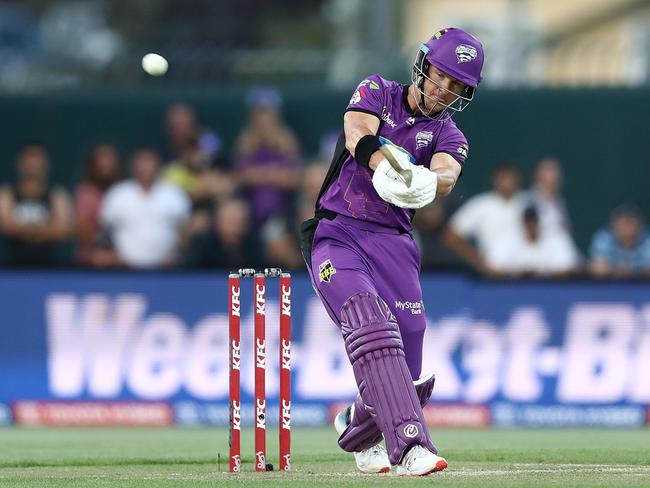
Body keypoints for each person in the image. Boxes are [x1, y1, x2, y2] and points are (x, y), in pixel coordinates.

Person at [299, 27, 484, 475]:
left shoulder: (450, 134)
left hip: (395, 243)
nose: (445, 92)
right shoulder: (378, 90)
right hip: (338, 232)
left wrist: (426, 182)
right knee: (369, 318)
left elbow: (446, 175)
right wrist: (388, 164)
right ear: (423, 65)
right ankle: (411, 445)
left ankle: (357, 428)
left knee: (412, 365)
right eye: (442, 77)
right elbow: (356, 132)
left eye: (458, 87)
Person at [99, 149, 191, 269]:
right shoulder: (117, 194)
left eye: (149, 162)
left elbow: (185, 231)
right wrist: (112, 255)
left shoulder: (174, 194)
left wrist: (178, 255)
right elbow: (104, 231)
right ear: (133, 166)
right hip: (124, 271)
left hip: (167, 272)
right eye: (142, 162)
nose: (146, 167)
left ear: (158, 165)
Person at [234, 87, 301, 226]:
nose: (264, 120)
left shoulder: (287, 141)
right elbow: (240, 178)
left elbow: (292, 180)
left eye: (268, 114)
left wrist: (258, 174)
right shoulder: (244, 142)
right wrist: (273, 173)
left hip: (283, 210)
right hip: (249, 210)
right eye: (260, 114)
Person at [444, 165, 525, 274]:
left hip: (528, 275)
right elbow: (451, 235)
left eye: (510, 178)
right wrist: (479, 262)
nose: (507, 183)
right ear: (495, 181)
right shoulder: (482, 204)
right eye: (503, 178)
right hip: (493, 277)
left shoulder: (528, 202)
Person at [0, 145, 73, 267]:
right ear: (20, 163)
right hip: (10, 269)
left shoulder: (56, 195)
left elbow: (62, 229)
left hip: (51, 269)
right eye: (29, 159)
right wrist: (42, 231)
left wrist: (25, 231)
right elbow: (6, 226)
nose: (33, 165)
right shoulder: (7, 194)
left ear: (46, 164)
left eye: (37, 159)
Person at [489, 205, 580, 277]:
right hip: (515, 289)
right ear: (523, 223)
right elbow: (492, 269)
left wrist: (544, 274)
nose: (531, 226)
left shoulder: (556, 237)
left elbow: (570, 268)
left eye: (534, 222)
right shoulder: (508, 238)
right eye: (528, 222)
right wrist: (518, 274)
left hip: (550, 289)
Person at [74, 144, 122, 266]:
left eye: (109, 162)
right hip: (89, 262)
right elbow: (82, 229)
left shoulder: (126, 192)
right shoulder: (85, 193)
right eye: (101, 162)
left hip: (122, 263)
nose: (105, 165)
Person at [588, 203, 650, 278]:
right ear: (614, 224)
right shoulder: (604, 238)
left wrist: (628, 272)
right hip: (608, 287)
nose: (627, 227)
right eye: (623, 221)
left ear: (640, 224)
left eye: (631, 221)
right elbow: (597, 268)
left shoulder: (647, 239)